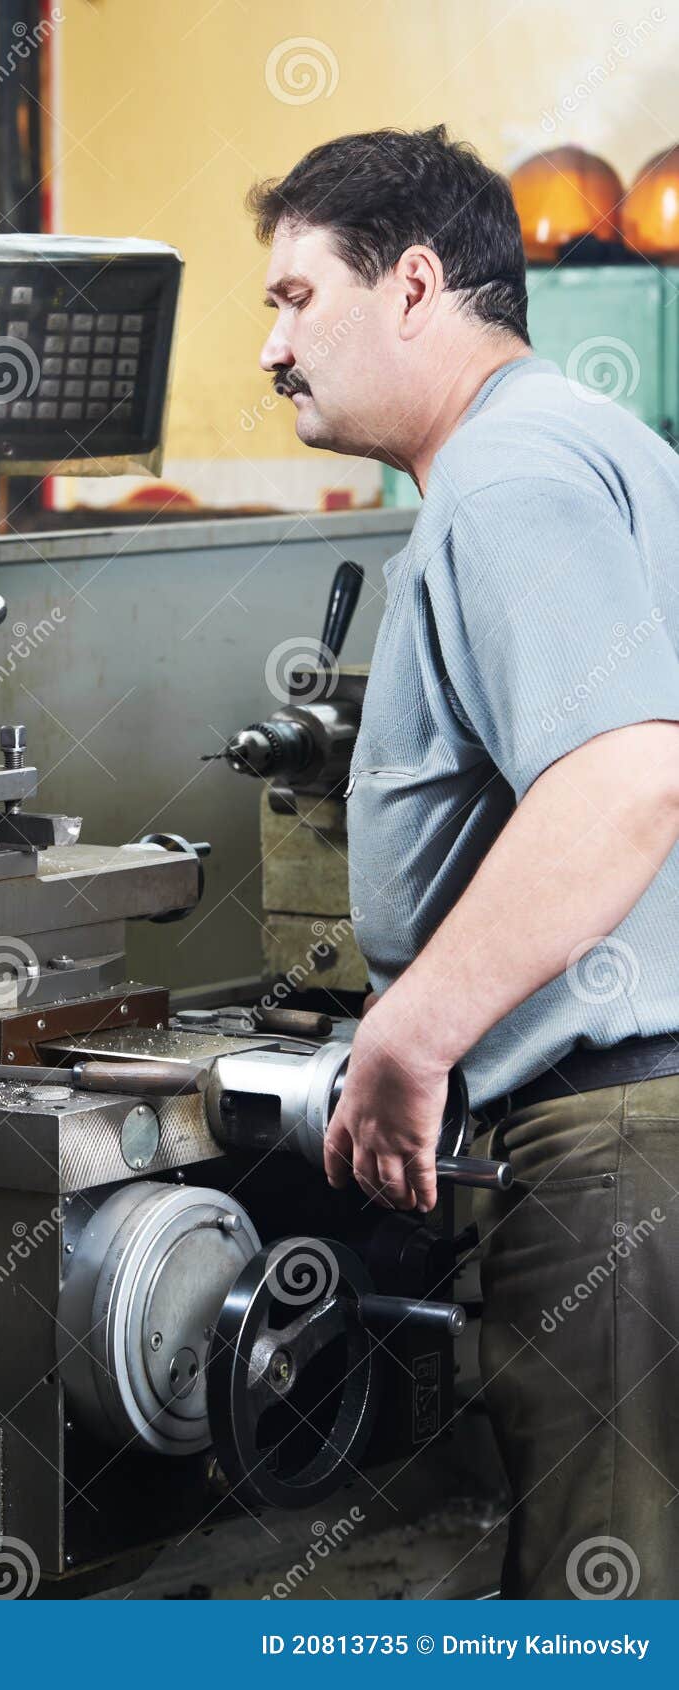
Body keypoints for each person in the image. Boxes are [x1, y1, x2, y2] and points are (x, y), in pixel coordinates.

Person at [250, 124, 679, 1599]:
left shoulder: (502, 477)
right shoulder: (603, 439)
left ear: (415, 283)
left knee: (605, 1609)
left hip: (626, 1147)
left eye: (295, 299)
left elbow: (629, 777)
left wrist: (409, 1031)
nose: (271, 350)